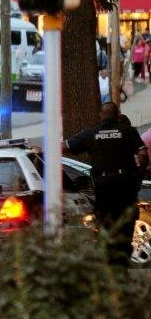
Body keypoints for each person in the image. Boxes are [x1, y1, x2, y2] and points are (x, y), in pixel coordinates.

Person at [63, 102, 148, 266]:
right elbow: (143, 153)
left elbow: (65, 146)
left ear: (100, 115)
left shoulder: (91, 133)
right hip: (125, 188)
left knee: (106, 226)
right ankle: (122, 266)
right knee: (126, 226)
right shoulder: (128, 131)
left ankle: (109, 265)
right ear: (117, 115)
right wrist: (137, 175)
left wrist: (41, 150)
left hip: (104, 189)